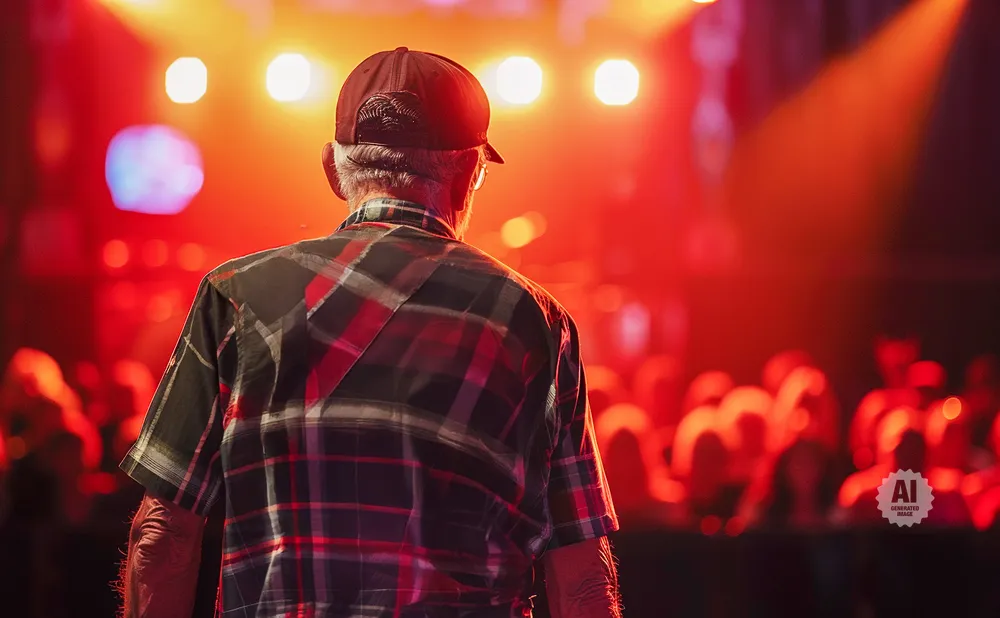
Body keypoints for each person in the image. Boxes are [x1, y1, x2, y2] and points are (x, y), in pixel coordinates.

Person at [118, 48, 620, 618]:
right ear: (470, 173)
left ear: (332, 169)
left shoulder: (234, 297)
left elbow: (162, 541)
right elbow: (580, 579)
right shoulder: (532, 319)